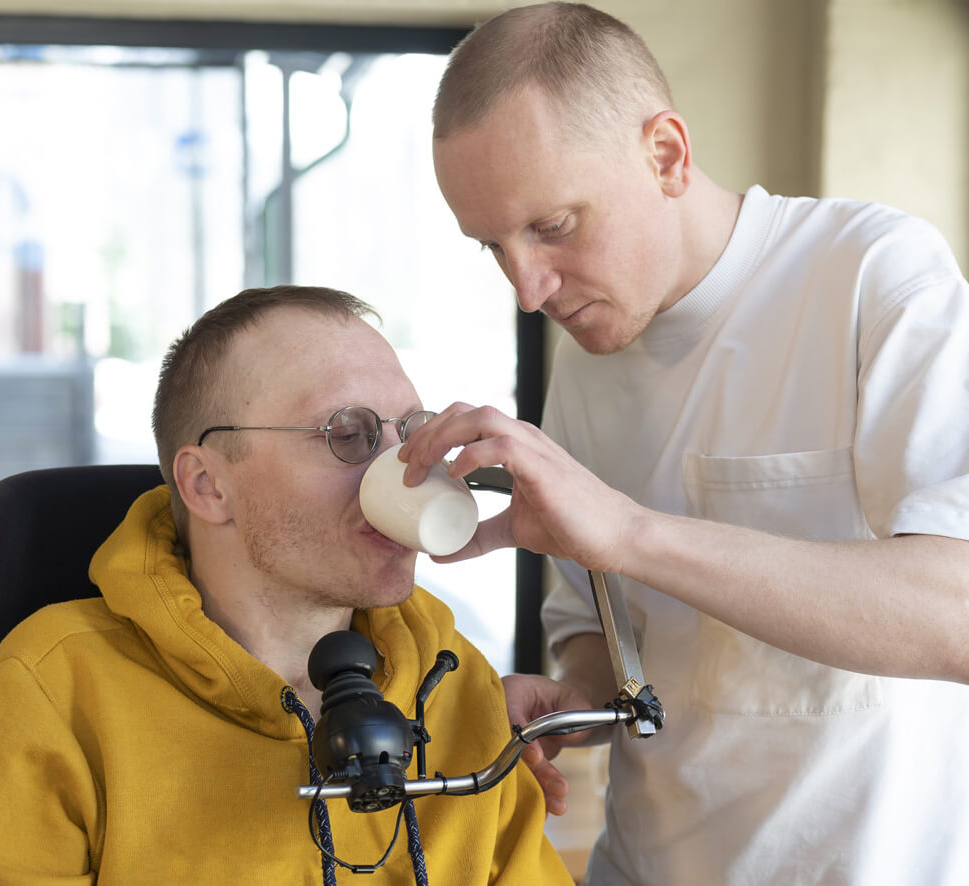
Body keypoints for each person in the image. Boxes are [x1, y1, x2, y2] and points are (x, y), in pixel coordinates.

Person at [397, 3, 969, 884]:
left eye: (551, 226)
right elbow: (601, 636)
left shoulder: (872, 277)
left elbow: (957, 614)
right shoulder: (590, 357)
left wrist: (631, 532)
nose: (528, 290)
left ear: (665, 153)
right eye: (493, 247)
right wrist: (572, 707)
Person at [0, 286, 573, 884]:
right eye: (347, 435)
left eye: (409, 433)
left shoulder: (453, 678)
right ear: (207, 485)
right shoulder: (59, 686)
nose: (406, 474)